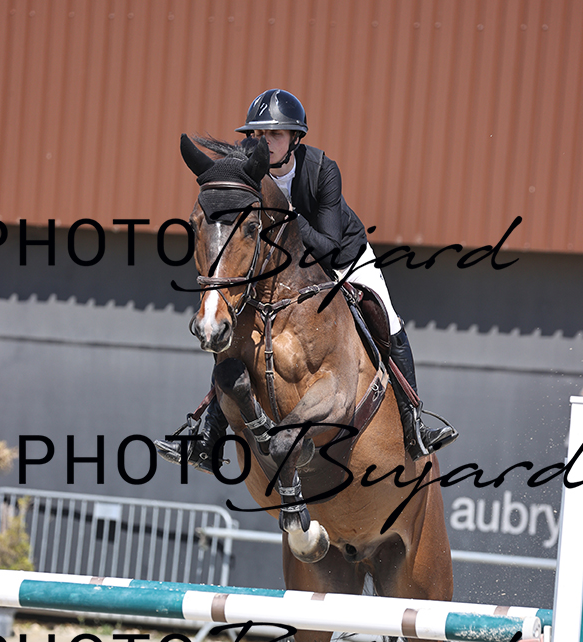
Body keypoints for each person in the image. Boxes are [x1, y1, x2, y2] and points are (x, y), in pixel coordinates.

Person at [156, 89, 457, 472]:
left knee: (386, 316)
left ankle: (414, 421)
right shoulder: (247, 166)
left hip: (341, 255)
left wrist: (290, 217)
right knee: (233, 321)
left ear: (295, 138)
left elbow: (328, 246)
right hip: (277, 265)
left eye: (275, 134)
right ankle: (208, 434)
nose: (264, 142)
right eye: (258, 134)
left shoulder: (321, 170)